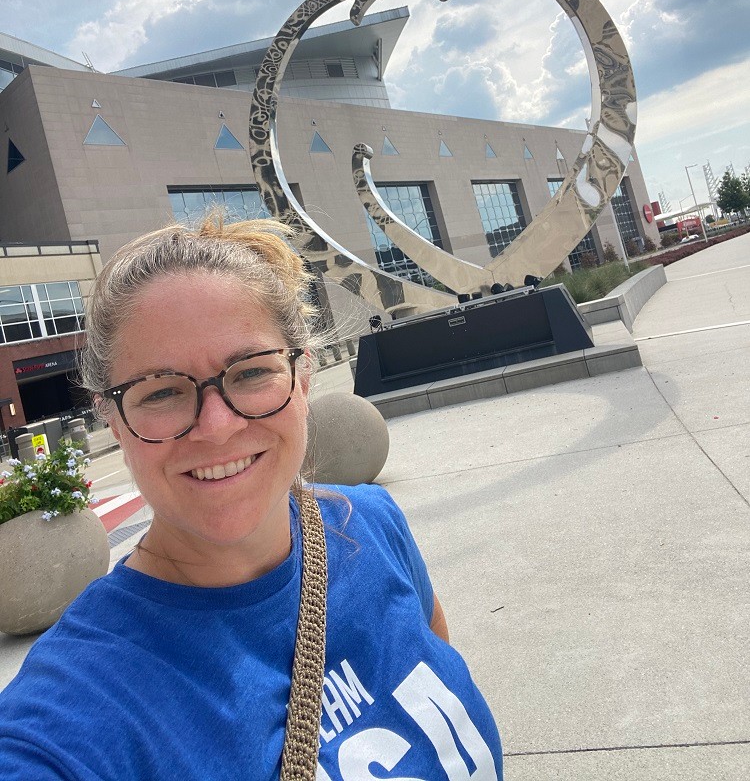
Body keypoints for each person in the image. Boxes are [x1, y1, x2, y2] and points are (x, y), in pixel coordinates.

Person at [0, 218, 503, 780]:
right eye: (162, 391)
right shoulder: (78, 708)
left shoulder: (372, 524)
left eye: (250, 372)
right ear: (112, 419)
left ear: (304, 376)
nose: (216, 427)